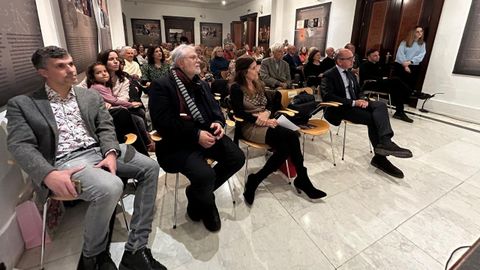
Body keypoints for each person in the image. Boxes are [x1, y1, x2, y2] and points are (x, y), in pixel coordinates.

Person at [6, 46, 166, 270]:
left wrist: (110, 152)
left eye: (70, 63)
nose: (71, 69)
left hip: (99, 150)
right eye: (61, 66)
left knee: (150, 167)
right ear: (43, 72)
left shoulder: (89, 95)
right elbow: (19, 145)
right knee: (111, 187)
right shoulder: (23, 104)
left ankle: (136, 248)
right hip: (65, 161)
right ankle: (92, 257)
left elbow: (105, 127)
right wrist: (47, 173)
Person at [148, 44, 245, 232]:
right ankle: (207, 203)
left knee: (237, 158)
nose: (198, 60)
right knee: (205, 175)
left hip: (206, 134)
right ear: (181, 62)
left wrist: (218, 121)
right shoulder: (162, 85)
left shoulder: (199, 83)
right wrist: (195, 134)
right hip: (177, 143)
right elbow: (163, 122)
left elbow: (214, 108)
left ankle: (196, 194)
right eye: (193, 57)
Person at [230, 56, 326, 205]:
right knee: (292, 136)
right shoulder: (236, 88)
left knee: (287, 146)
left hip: (266, 121)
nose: (258, 70)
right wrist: (260, 119)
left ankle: (256, 179)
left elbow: (270, 104)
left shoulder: (258, 83)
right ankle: (302, 179)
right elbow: (238, 113)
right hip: (250, 126)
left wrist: (267, 114)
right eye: (254, 68)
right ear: (244, 72)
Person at [321, 48, 413, 179]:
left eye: (353, 57)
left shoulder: (351, 74)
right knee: (372, 119)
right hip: (341, 108)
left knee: (381, 105)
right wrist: (353, 103)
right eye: (349, 58)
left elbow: (359, 91)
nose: (353, 60)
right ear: (340, 61)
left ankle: (386, 142)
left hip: (356, 103)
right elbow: (328, 96)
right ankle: (380, 158)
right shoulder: (329, 75)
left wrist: (363, 100)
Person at [86, 62, 150, 154]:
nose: (104, 73)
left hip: (111, 109)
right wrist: (130, 104)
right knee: (125, 113)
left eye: (105, 71)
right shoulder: (97, 87)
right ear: (92, 76)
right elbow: (113, 101)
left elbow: (113, 101)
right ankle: (141, 147)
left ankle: (144, 145)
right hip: (101, 115)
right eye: (99, 72)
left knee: (137, 117)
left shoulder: (106, 85)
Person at [360, 48, 413, 123]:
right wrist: (381, 79)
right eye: (375, 55)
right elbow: (366, 77)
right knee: (396, 80)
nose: (378, 57)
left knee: (397, 89)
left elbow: (383, 75)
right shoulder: (364, 65)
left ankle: (399, 112)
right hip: (369, 84)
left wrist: (382, 78)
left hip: (379, 84)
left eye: (378, 55)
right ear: (369, 56)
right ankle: (412, 93)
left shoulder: (378, 65)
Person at [393, 26, 426, 91]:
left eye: (421, 31)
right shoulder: (404, 42)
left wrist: (410, 62)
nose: (420, 33)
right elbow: (400, 54)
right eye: (417, 32)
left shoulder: (422, 44)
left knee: (409, 88)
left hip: (413, 67)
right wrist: (405, 65)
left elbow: (421, 55)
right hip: (401, 66)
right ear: (413, 33)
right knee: (398, 87)